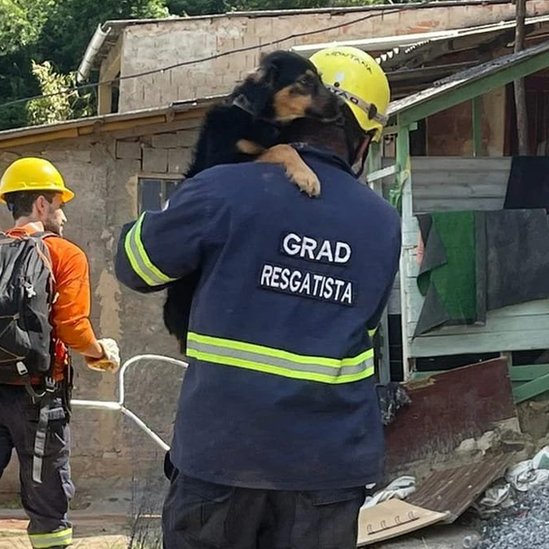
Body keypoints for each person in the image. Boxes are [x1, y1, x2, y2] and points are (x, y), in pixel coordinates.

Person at [115, 45, 401, 549]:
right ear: (362, 141)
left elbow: (135, 266)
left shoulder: (223, 189)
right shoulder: (382, 224)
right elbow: (367, 332)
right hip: (326, 470)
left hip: (221, 457)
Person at [0, 157, 120, 549]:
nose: (64, 215)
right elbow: (71, 327)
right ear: (40, 205)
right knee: (49, 506)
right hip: (40, 394)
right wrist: (98, 350)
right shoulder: (65, 255)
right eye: (59, 203)